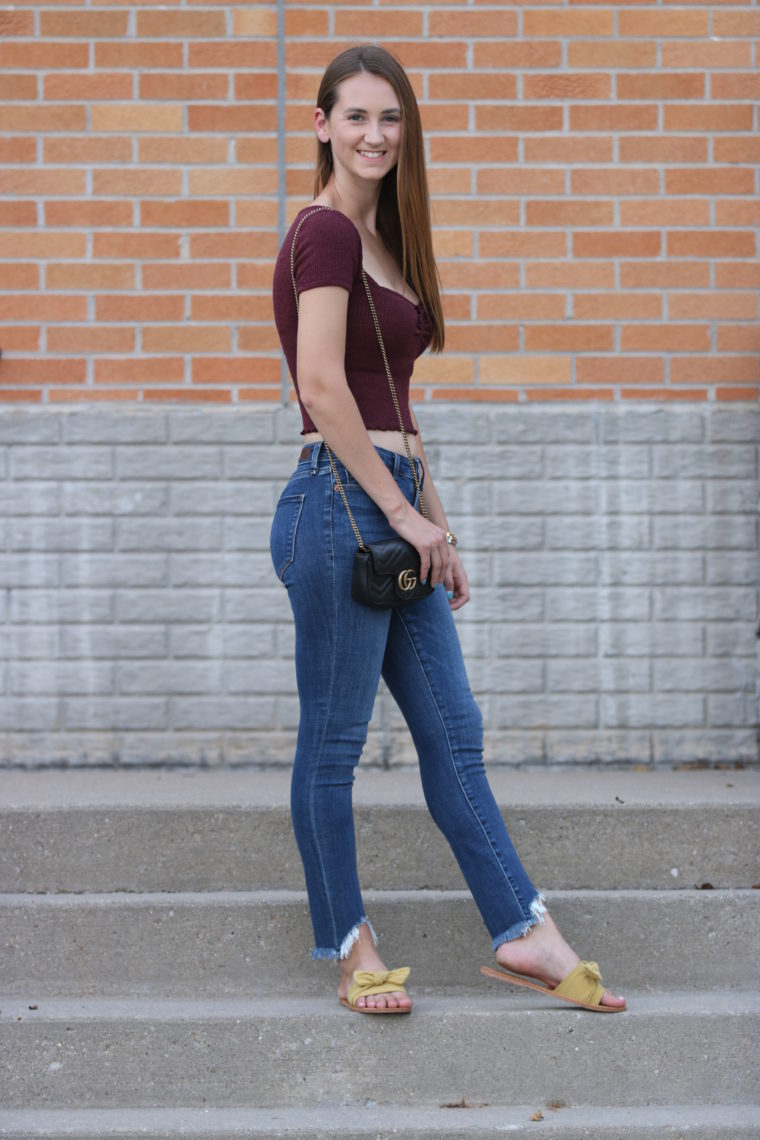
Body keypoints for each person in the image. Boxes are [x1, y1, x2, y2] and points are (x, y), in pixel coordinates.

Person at [270, 44, 626, 1016]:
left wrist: (441, 526)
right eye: (355, 117)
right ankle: (350, 947)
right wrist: (396, 508)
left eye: (391, 119)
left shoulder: (385, 240)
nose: (375, 135)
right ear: (322, 126)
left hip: (394, 506)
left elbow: (399, 404)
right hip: (341, 506)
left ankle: (525, 932)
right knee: (335, 744)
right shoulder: (326, 232)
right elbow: (319, 387)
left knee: (453, 732)